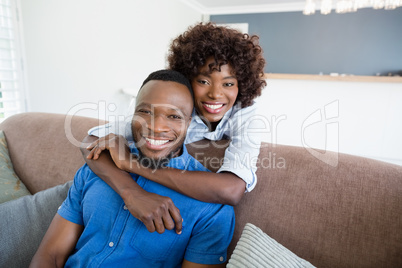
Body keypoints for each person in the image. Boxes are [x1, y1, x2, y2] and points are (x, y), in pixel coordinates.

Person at [30, 70, 235, 268]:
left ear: (189, 123)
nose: (156, 127)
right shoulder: (97, 166)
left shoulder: (213, 211)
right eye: (145, 112)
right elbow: (51, 255)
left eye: (174, 116)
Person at [83, 22, 266, 234]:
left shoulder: (246, 113)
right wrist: (132, 192)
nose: (216, 94)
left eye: (228, 83)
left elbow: (232, 190)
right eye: (204, 81)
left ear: (242, 84)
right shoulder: (171, 113)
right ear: (187, 79)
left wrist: (131, 164)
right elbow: (90, 141)